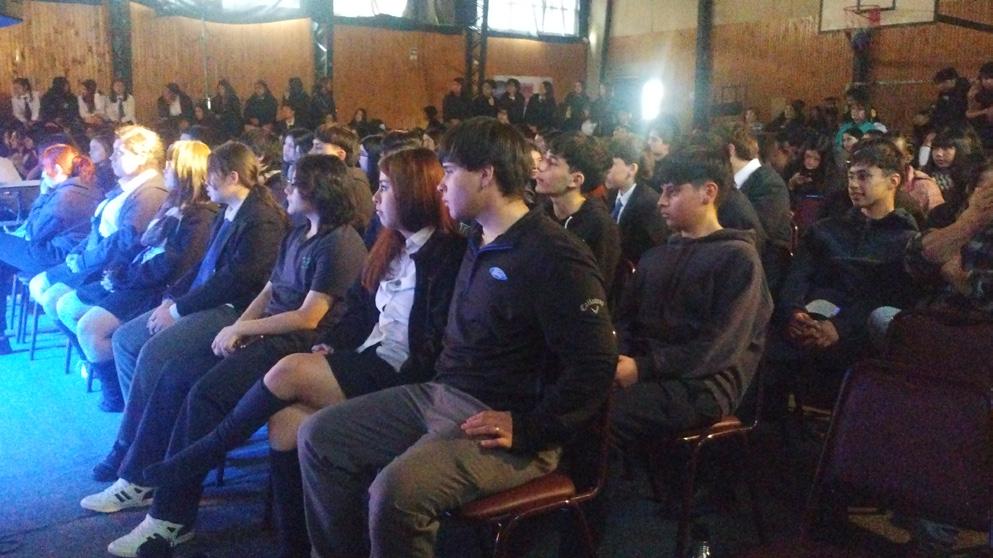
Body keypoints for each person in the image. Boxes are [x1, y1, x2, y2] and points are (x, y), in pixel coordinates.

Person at [296, 115, 615, 558]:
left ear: (485, 175)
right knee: (319, 436)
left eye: (449, 171)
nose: (441, 185)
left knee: (396, 492)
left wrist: (530, 428)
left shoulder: (554, 254)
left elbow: (596, 363)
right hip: (443, 394)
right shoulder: (476, 238)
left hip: (505, 422)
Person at [138, 147, 466, 557]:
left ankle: (198, 456)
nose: (376, 197)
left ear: (413, 193)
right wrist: (336, 344)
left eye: (384, 188)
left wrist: (262, 332)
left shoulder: (447, 253)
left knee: (287, 369)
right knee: (286, 420)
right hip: (369, 357)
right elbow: (360, 311)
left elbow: (433, 339)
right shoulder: (387, 243)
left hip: (404, 372)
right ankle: (294, 546)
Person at [90, 154, 367, 558]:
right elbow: (270, 291)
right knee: (175, 374)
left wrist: (243, 329)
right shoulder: (298, 233)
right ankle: (139, 477)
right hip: (265, 333)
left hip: (295, 344)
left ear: (319, 190)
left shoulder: (341, 243)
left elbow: (309, 317)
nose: (286, 189)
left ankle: (170, 518)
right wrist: (239, 327)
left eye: (295, 183)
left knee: (205, 395)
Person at [88, 141, 287, 483]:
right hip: (207, 302)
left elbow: (236, 281)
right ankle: (140, 435)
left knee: (153, 352)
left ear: (233, 177)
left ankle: (133, 447)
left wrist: (179, 310)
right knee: (125, 339)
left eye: (212, 175)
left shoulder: (261, 219)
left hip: (235, 312)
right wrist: (171, 300)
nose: (206, 182)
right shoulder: (228, 210)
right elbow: (203, 268)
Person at [610, 142, 772, 449]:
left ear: (708, 193)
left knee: (605, 416)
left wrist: (642, 367)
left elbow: (718, 347)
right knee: (573, 397)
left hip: (703, 384)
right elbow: (626, 320)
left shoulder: (738, 259)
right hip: (648, 370)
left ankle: (635, 481)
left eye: (672, 192)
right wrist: (620, 358)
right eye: (661, 191)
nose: (661, 202)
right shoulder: (656, 256)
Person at [59, 141, 218, 412]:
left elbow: (172, 266)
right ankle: (115, 385)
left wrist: (122, 278)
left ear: (186, 170)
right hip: (138, 278)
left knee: (90, 329)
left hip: (155, 289)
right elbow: (142, 246)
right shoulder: (172, 203)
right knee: (68, 307)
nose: (165, 168)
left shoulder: (201, 217)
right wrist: (117, 271)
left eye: (171, 163)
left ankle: (118, 395)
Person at [766, 138, 921, 415]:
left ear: (893, 181)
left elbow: (890, 298)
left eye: (864, 177)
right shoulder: (826, 230)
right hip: (811, 318)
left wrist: (839, 327)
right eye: (851, 176)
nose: (854, 185)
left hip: (858, 333)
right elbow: (798, 277)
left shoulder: (906, 241)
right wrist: (794, 312)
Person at [29, 126, 168, 355]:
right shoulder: (128, 186)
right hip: (98, 260)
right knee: (48, 295)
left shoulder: (151, 192)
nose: (112, 158)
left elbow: (124, 243)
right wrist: (78, 252)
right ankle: (89, 358)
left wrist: (84, 260)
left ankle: (96, 361)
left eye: (119, 152)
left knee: (63, 305)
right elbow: (98, 226)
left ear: (142, 156)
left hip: (117, 270)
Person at [0, 144, 103, 354]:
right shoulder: (89, 187)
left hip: (55, 256)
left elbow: (34, 232)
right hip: (70, 252)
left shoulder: (64, 195)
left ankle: (1, 337)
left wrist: (44, 194)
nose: (43, 175)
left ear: (55, 169)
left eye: (44, 169)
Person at [535, 132, 621, 294]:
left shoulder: (600, 226)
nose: (540, 167)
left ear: (575, 180)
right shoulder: (541, 214)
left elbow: (599, 290)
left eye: (552, 163)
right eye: (544, 159)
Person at [721, 123, 793, 291]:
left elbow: (756, 235)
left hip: (760, 273)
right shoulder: (731, 182)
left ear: (730, 150)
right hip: (734, 261)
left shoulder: (769, 184)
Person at [605, 135, 668, 264]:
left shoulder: (650, 205)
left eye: (612, 164)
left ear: (632, 169)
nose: (606, 170)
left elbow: (650, 253)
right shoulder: (611, 195)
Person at [311, 123, 374, 233]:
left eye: (318, 148)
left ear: (340, 155)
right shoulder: (327, 179)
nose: (311, 153)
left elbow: (363, 223)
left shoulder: (355, 182)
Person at [929, 67, 970, 131]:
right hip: (952, 120)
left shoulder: (963, 90)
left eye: (939, 83)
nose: (937, 86)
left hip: (962, 122)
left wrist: (937, 129)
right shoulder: (946, 91)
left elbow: (956, 112)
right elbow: (940, 106)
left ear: (949, 81)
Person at [967, 61, 993, 151]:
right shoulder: (981, 93)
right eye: (985, 78)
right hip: (984, 130)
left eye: (991, 78)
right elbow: (970, 113)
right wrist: (970, 97)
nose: (988, 81)